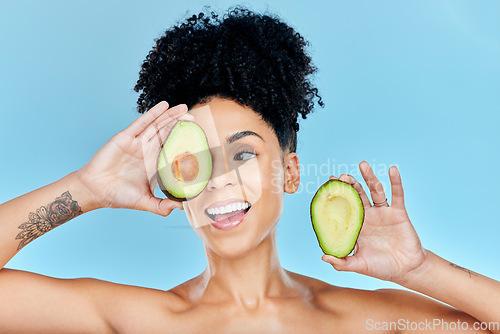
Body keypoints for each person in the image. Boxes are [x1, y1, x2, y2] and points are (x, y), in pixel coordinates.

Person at [0, 7, 498, 334]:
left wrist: (421, 270)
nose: (220, 180)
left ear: (290, 172)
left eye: (243, 155)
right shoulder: (140, 322)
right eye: (194, 162)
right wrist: (87, 190)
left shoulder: (365, 321)